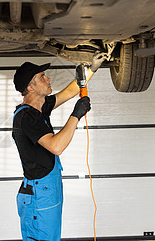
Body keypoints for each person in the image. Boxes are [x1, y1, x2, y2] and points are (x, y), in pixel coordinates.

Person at [12, 53, 107, 241]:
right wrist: (76, 115)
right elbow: (56, 146)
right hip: (39, 195)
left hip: (47, 189)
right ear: (30, 88)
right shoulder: (26, 117)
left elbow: (70, 91)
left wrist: (91, 70)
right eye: (41, 77)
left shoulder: (40, 107)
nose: (48, 78)